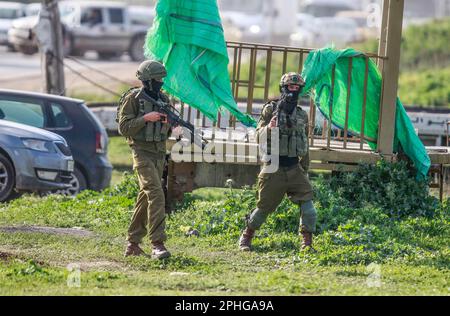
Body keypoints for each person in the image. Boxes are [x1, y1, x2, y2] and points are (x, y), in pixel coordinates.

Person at [239, 72, 317, 252]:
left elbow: (304, 143)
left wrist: (304, 168)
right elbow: (257, 136)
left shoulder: (301, 115)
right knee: (263, 209)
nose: (294, 91)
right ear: (283, 88)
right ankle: (246, 236)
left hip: (294, 168)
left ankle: (307, 243)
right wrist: (269, 127)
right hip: (273, 167)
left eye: (297, 88)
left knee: (309, 209)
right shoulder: (270, 110)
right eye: (291, 87)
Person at [118, 60, 174, 259]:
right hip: (141, 153)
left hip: (159, 154)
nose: (160, 82)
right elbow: (124, 128)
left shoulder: (164, 100)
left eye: (162, 79)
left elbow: (165, 133)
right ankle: (157, 244)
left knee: (145, 196)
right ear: (147, 80)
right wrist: (146, 118)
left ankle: (132, 244)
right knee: (156, 194)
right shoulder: (133, 99)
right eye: (157, 79)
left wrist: (169, 126)